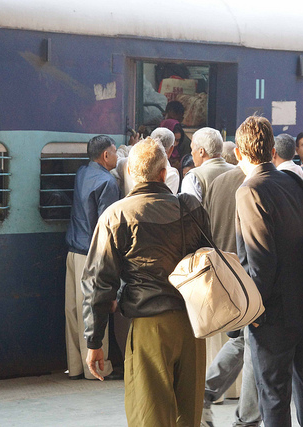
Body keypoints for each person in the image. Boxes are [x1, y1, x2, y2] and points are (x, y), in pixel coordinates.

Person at [82, 138, 210, 426]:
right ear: (164, 173)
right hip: (193, 326)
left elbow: (99, 284)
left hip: (149, 326)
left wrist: (94, 340)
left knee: (149, 415)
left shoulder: (117, 216)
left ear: (130, 174)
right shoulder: (190, 207)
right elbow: (207, 261)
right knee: (188, 416)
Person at [235, 116, 303, 427]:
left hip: (273, 314)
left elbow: (260, 260)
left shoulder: (250, 191)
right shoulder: (297, 181)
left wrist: (251, 310)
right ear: (274, 150)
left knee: (273, 395)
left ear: (238, 153)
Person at [201, 166, 262, 427]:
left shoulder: (219, 181)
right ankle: (247, 420)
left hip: (228, 273)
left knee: (241, 342)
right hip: (253, 280)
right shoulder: (260, 184)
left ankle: (202, 395)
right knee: (253, 347)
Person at [64, 135, 121, 381]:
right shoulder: (108, 183)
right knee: (94, 311)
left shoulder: (81, 173)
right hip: (93, 256)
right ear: (106, 155)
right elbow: (107, 227)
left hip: (73, 251)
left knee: (74, 311)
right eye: (116, 152)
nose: (118, 157)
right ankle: (98, 367)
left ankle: (76, 366)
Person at [112, 127, 180, 196]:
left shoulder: (129, 163)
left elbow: (114, 158)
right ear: (171, 149)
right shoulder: (171, 175)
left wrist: (134, 147)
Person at [181, 127, 234, 203]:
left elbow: (191, 211)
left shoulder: (193, 177)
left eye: (192, 149)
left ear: (201, 151)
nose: (192, 153)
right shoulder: (240, 172)